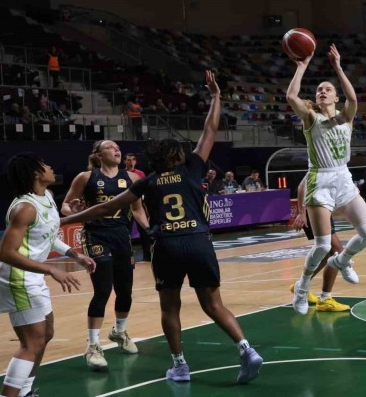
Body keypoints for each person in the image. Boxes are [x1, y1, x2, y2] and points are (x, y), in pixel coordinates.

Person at [60, 70, 263, 384]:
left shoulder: (147, 182)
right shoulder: (193, 168)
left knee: (170, 308)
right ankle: (246, 349)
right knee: (214, 304)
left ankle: (180, 366)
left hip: (167, 245)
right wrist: (216, 96)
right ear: (177, 155)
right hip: (198, 241)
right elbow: (210, 129)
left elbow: (106, 207)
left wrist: (64, 220)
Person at [0, 153, 96, 397]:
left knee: (46, 334)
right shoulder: (24, 208)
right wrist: (51, 269)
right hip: (15, 276)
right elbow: (6, 253)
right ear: (36, 174)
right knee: (32, 342)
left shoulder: (46, 196)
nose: (51, 167)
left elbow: (48, 235)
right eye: (45, 165)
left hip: (31, 274)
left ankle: (25, 391)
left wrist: (75, 255)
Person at [286, 44, 366, 315]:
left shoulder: (345, 118)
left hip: (343, 178)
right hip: (320, 180)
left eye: (327, 89)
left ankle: (342, 261)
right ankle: (302, 287)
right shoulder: (311, 119)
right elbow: (291, 96)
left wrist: (338, 67)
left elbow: (353, 97)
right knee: (323, 245)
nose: (322, 92)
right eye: (319, 90)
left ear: (336, 97)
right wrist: (302, 66)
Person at [61, 140, 150, 371]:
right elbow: (66, 206)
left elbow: (137, 209)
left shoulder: (132, 178)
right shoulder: (85, 177)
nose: (116, 149)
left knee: (125, 291)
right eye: (110, 147)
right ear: (98, 155)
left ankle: (119, 331)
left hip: (122, 236)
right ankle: (92, 345)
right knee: (102, 290)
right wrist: (74, 211)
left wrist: (150, 231)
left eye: (117, 147)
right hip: (96, 236)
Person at [289, 173, 353, 312]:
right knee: (336, 252)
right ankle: (325, 299)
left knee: (327, 253)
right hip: (314, 210)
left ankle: (301, 286)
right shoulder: (321, 164)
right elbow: (302, 186)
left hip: (324, 209)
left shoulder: (339, 167)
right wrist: (302, 213)